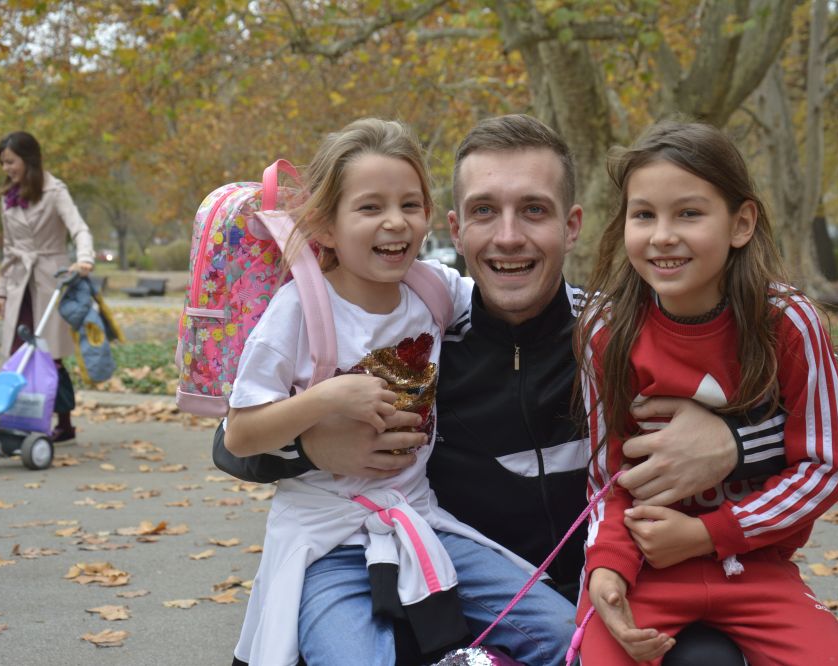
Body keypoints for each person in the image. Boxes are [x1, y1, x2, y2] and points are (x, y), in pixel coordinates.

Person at [213, 114, 838, 665]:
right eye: (485, 211)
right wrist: (310, 446)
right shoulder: (428, 331)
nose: (509, 237)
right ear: (456, 229)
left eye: (533, 210)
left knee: (704, 660)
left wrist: (734, 444)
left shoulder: (615, 330)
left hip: (618, 588)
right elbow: (230, 442)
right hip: (454, 594)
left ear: (571, 226)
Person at [222, 118, 574, 666]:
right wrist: (325, 404)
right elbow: (238, 434)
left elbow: (528, 295)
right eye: (370, 207)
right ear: (326, 226)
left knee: (563, 634)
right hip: (327, 544)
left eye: (410, 205)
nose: (394, 221)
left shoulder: (434, 292)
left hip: (423, 525)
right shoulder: (296, 312)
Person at [575, 120, 838, 665]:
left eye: (689, 213)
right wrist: (608, 569)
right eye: (644, 215)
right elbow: (607, 479)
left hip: (757, 568)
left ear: (741, 223)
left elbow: (825, 466)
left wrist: (710, 533)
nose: (663, 235)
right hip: (646, 570)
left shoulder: (788, 322)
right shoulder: (606, 331)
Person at [0, 131, 94, 444]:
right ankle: (21, 419)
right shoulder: (8, 197)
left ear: (28, 159)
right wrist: (1, 291)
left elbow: (79, 229)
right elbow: (8, 247)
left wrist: (84, 258)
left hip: (50, 280)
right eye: (3, 163)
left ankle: (63, 422)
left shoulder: (55, 191)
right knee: (19, 352)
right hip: (18, 283)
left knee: (50, 355)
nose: (6, 168)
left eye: (10, 161)